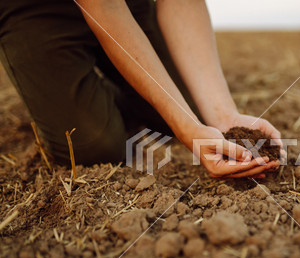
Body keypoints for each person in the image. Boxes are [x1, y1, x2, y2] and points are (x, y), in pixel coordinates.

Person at [0, 0, 281, 178]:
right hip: (36, 10)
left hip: (128, 4)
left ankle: (124, 93)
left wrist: (223, 116)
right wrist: (186, 127)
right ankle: (96, 94)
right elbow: (103, 8)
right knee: (94, 146)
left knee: (194, 111)